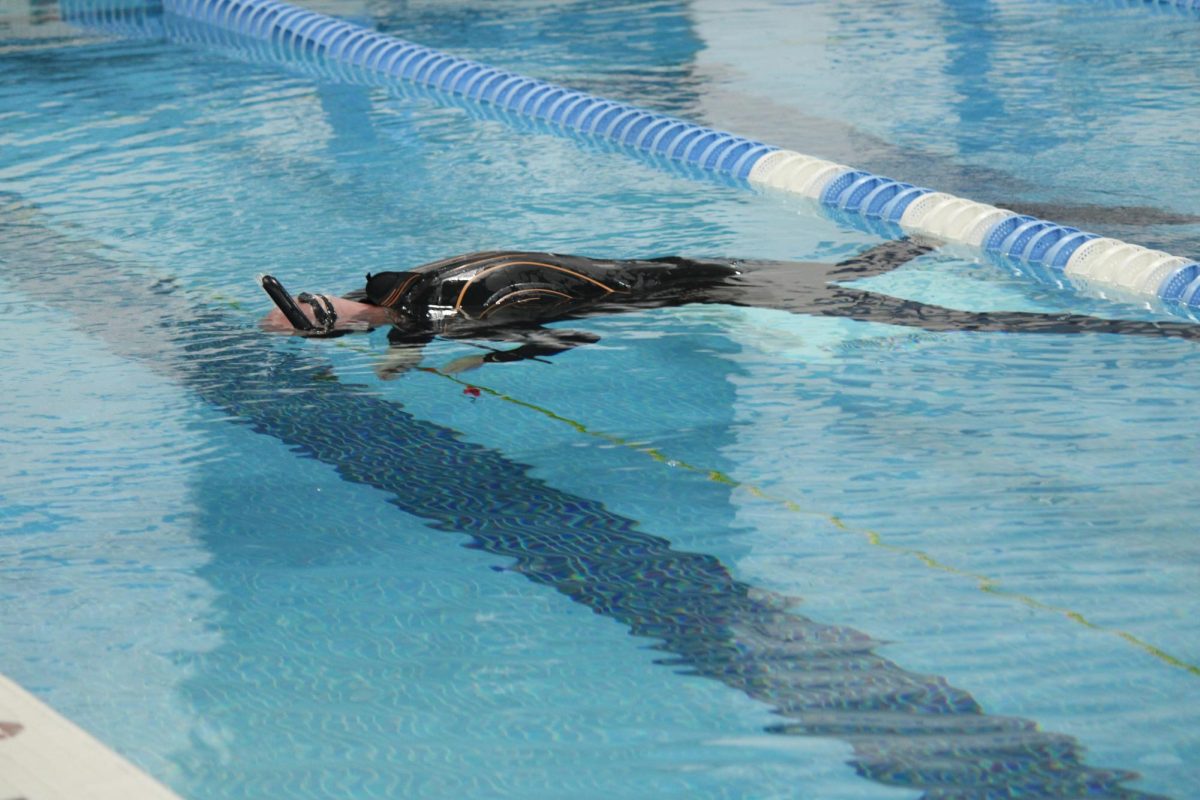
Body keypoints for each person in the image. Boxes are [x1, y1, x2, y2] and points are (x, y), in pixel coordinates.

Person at [260, 241, 1200, 374]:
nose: (326, 315)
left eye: (315, 315)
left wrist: (449, 357)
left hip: (717, 285)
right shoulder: (420, 277)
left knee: (940, 323)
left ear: (338, 312)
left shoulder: (452, 300)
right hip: (688, 261)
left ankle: (1145, 320)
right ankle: (949, 232)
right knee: (865, 268)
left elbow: (566, 333)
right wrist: (412, 342)